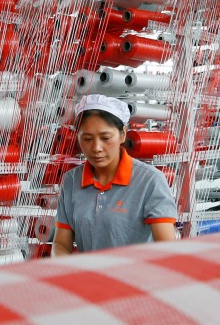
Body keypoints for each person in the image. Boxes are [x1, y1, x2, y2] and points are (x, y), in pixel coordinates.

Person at [53, 93, 177, 255]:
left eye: (105, 138)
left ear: (123, 134)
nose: (96, 147)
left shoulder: (149, 181)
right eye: (87, 139)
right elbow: (61, 243)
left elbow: (166, 250)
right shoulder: (71, 181)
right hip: (89, 278)